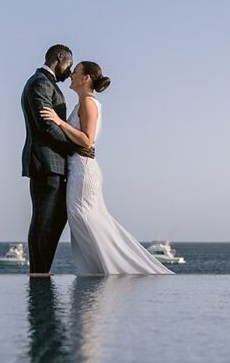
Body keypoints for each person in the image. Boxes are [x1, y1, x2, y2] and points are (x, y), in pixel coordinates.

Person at [40, 61, 172, 275]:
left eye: (76, 72)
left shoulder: (89, 103)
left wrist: (59, 122)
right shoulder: (83, 104)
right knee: (83, 219)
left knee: (85, 217)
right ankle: (101, 269)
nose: (71, 74)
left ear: (86, 78)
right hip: (79, 167)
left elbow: (87, 140)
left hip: (83, 170)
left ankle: (120, 269)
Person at [21, 44, 91, 275]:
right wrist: (76, 147)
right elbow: (47, 126)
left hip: (56, 165)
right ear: (59, 58)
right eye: (69, 65)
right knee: (43, 220)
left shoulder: (45, 83)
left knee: (55, 219)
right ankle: (38, 273)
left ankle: (43, 270)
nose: (69, 71)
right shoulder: (40, 83)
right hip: (46, 164)